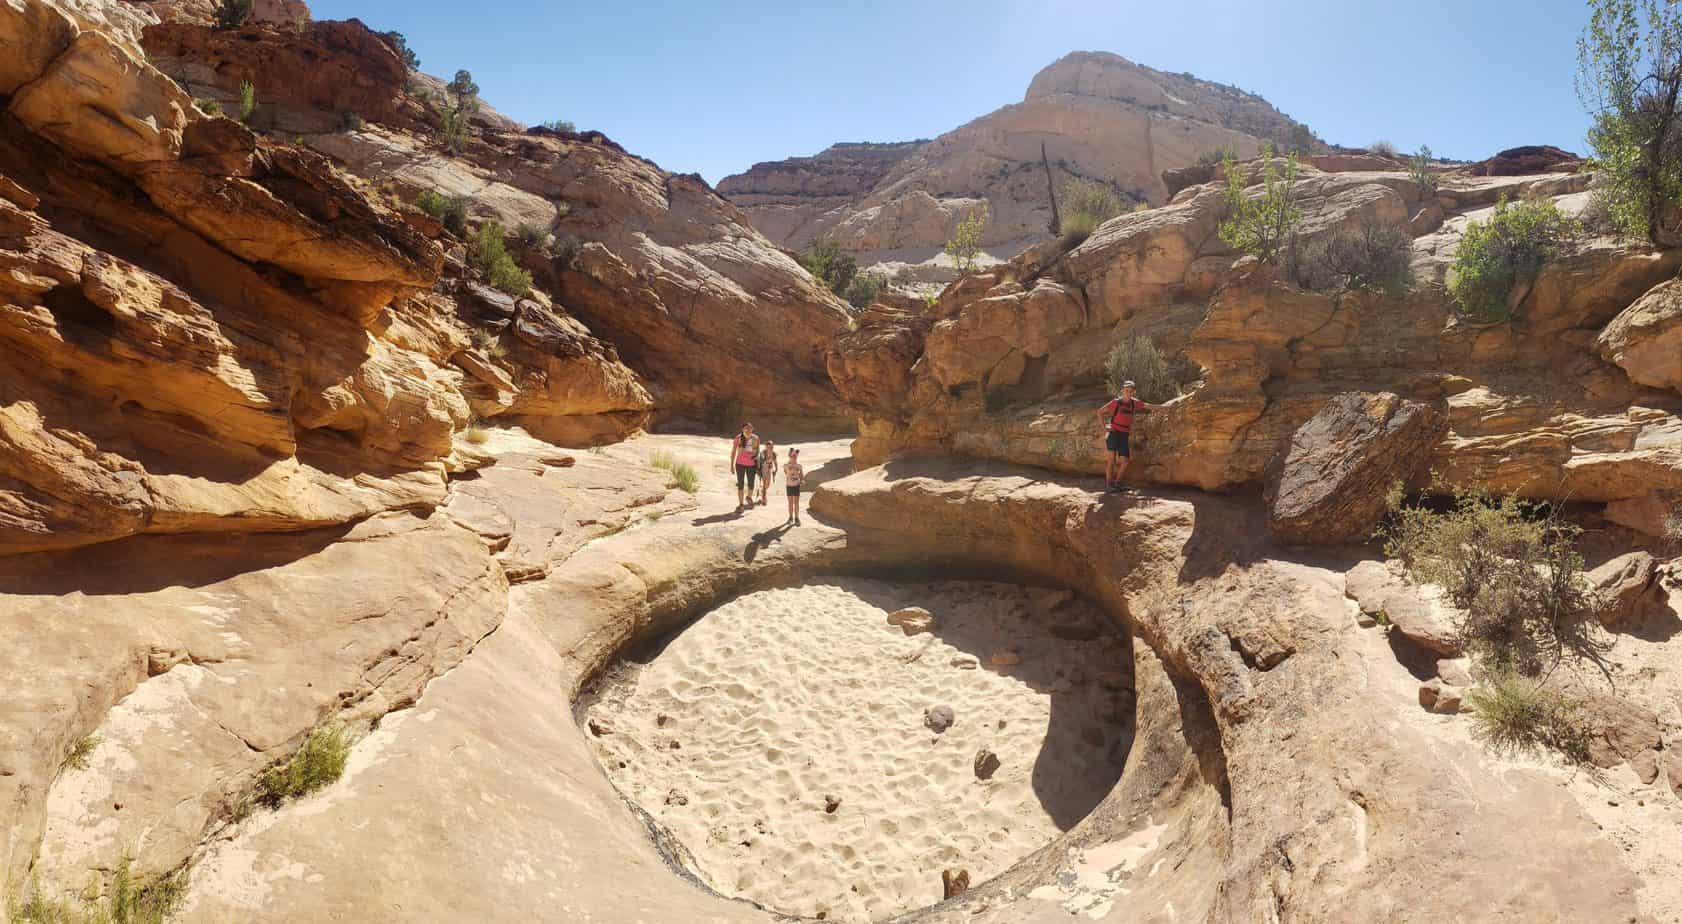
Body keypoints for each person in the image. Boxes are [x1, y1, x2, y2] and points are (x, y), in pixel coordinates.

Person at [1096, 381, 1162, 494]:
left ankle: (1117, 483)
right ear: (1122, 390)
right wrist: (1104, 427)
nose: (1128, 392)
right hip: (1114, 433)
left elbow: (1148, 406)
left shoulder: (1134, 403)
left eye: (1131, 390)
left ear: (1133, 392)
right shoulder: (1115, 402)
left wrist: (1165, 408)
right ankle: (1109, 485)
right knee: (1111, 460)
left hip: (1124, 434)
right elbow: (1099, 412)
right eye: (1126, 390)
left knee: (1125, 461)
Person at [729, 422, 760, 509]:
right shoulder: (738, 438)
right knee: (740, 484)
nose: (748, 430)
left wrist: (758, 462)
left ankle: (748, 497)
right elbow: (733, 452)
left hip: (752, 464)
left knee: (751, 484)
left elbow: (758, 451)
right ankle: (741, 504)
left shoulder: (756, 438)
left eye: (750, 428)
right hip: (740, 464)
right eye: (746, 428)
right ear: (743, 429)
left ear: (752, 429)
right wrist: (731, 465)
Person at [784, 447, 804, 525]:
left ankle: (797, 518)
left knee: (796, 502)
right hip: (789, 485)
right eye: (793, 456)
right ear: (789, 456)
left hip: (796, 486)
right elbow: (786, 473)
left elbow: (801, 475)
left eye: (795, 456)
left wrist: (801, 480)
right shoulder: (786, 465)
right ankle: (790, 517)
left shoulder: (799, 466)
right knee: (790, 502)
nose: (794, 458)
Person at [757, 439, 778, 506]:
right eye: (769, 446)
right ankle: (764, 499)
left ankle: (762, 492)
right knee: (765, 482)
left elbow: (775, 461)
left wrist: (776, 469)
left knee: (768, 484)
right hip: (763, 468)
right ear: (766, 446)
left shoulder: (774, 453)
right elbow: (761, 461)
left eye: (771, 446)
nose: (770, 448)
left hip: (769, 468)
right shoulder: (763, 453)